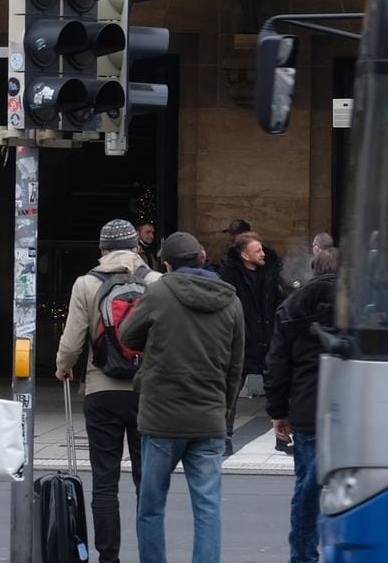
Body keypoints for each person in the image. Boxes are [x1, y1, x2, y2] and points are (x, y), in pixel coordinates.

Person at [117, 231, 245, 563]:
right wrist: (222, 405)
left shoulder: (159, 293)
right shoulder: (231, 300)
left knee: (151, 507)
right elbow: (235, 366)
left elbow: (128, 334)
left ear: (167, 265)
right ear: (203, 257)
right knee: (207, 508)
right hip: (209, 419)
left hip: (161, 418)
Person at [55, 219, 161, 563]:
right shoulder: (156, 282)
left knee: (104, 479)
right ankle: (150, 554)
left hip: (102, 390)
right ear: (136, 248)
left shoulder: (86, 283)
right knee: (147, 482)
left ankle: (108, 557)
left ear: (101, 250)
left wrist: (62, 366)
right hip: (147, 391)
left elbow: (72, 340)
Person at [266, 245, 339, 563]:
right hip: (354, 408)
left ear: (314, 268)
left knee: (307, 490)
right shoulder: (365, 302)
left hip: (310, 409)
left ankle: (303, 556)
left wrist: (278, 412)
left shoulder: (292, 306)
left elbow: (277, 365)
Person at [219, 230, 284, 423]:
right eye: (257, 251)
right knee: (230, 393)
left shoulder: (272, 274)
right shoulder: (229, 277)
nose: (262, 254)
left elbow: (279, 302)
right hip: (242, 342)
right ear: (245, 256)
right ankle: (225, 437)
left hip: (268, 339)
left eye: (262, 250)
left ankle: (282, 436)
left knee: (278, 392)